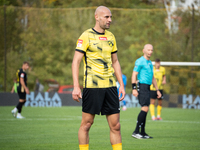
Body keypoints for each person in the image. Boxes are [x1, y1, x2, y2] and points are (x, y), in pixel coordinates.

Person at [72, 6, 125, 150]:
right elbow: (76, 61)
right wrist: (76, 86)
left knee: (116, 126)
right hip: (92, 87)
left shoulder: (111, 36)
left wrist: (121, 85)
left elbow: (115, 62)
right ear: (97, 17)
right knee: (87, 125)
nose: (110, 20)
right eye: (107, 17)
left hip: (110, 86)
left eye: (111, 17)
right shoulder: (86, 36)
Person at [131, 44, 161, 139]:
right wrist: (134, 88)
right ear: (144, 50)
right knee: (144, 108)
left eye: (151, 50)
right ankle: (136, 132)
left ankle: (143, 132)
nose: (150, 52)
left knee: (146, 109)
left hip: (148, 87)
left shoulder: (149, 63)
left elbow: (153, 78)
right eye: (148, 50)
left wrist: (157, 90)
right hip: (142, 86)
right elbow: (134, 74)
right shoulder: (140, 61)